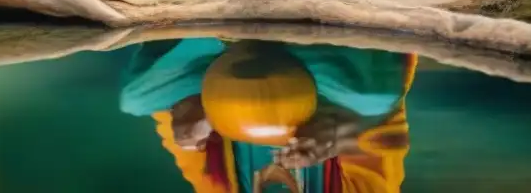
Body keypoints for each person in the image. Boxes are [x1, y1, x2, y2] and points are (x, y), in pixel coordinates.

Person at [119, 38, 417, 193]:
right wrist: (341, 132)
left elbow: (181, 133)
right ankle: (299, 33)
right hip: (318, 72)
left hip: (218, 67)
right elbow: (388, 128)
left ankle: (216, 34)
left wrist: (187, 118)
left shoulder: (222, 189)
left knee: (136, 99)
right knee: (374, 100)